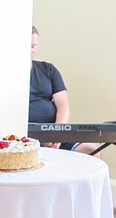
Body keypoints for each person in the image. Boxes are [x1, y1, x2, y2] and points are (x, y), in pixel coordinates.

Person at [30, 25, 99, 154]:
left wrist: (56, 134)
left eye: (33, 46)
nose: (30, 50)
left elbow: (63, 105)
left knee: (92, 150)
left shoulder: (48, 69)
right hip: (22, 136)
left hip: (54, 132)